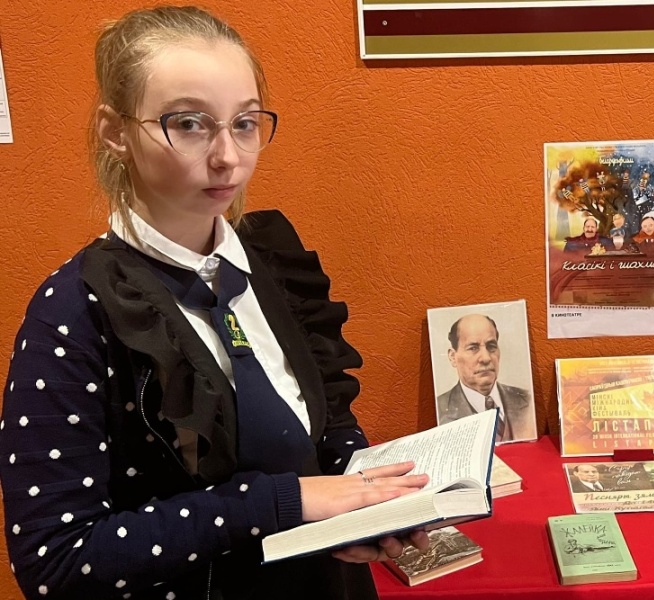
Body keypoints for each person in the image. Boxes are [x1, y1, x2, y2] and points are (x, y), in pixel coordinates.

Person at [0, 7, 429, 600]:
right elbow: (55, 564)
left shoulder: (270, 259)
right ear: (115, 131)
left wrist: (366, 502)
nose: (228, 155)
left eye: (245, 123)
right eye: (189, 124)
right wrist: (280, 501)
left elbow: (325, 423)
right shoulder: (75, 309)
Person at [435, 315, 536, 443]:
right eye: (473, 348)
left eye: (491, 346)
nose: (486, 358)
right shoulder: (441, 409)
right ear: (453, 357)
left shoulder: (527, 401)